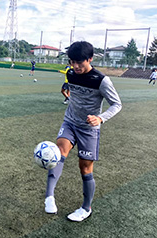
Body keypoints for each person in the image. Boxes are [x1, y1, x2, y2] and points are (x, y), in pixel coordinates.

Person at [44, 41, 122, 222]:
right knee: (59, 152)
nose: (76, 66)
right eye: (72, 62)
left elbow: (117, 104)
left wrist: (100, 118)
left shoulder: (102, 80)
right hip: (70, 122)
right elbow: (74, 94)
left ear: (90, 59)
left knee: (85, 168)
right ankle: (49, 196)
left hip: (89, 129)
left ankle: (86, 208)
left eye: (81, 62)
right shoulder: (71, 74)